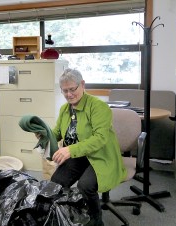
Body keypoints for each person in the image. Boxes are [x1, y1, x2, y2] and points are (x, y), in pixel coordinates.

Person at [50, 68, 127, 226]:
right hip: (80, 156)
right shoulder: (65, 109)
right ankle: (67, 216)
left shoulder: (98, 107)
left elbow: (100, 139)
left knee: (85, 186)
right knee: (56, 182)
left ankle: (96, 221)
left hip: (101, 156)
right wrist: (43, 134)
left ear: (82, 85)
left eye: (72, 89)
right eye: (65, 91)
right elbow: (57, 132)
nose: (69, 94)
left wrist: (70, 150)